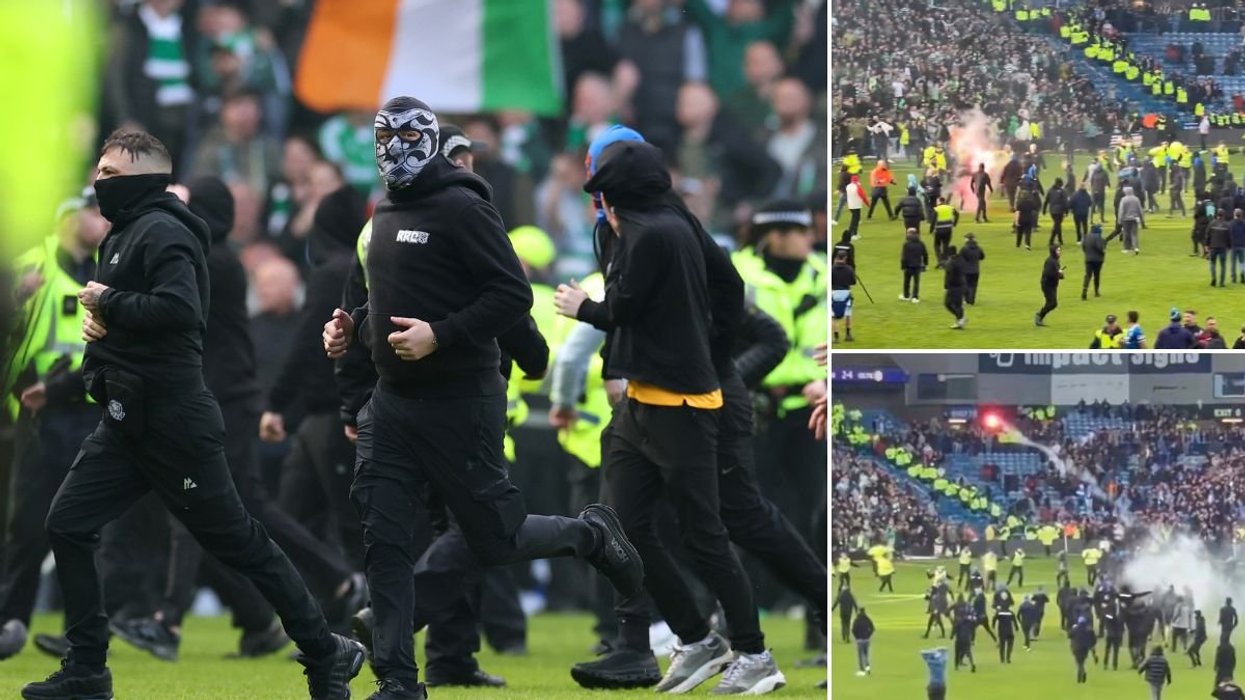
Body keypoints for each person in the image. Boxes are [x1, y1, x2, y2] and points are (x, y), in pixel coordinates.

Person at [23, 130, 366, 700]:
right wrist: (102, 329)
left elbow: (181, 309)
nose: (98, 183)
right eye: (99, 171)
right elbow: (136, 317)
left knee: (238, 541)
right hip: (126, 418)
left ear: (145, 179)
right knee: (67, 523)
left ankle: (326, 652)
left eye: (110, 174)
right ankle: (86, 668)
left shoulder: (163, 231)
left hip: (173, 423)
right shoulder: (124, 232)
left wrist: (107, 303)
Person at [324, 97, 644, 699]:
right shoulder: (385, 210)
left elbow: (511, 296)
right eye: (382, 139)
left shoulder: (464, 207)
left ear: (428, 143)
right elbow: (384, 303)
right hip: (391, 404)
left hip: (460, 400)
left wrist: (440, 335)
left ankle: (590, 536)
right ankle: (398, 682)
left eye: (405, 138)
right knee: (384, 542)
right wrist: (350, 328)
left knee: (496, 538)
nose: (392, 150)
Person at [558, 139, 786, 695]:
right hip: (644, 401)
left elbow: (624, 309)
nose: (599, 206)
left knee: (703, 535)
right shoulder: (676, 222)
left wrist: (582, 307)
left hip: (679, 407)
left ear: (614, 197)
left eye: (602, 195)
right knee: (620, 528)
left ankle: (755, 655)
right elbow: (729, 284)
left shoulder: (649, 233)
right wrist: (715, 354)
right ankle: (697, 638)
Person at [0, 191, 107, 660]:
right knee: (28, 522)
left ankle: (78, 629)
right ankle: (12, 619)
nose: (99, 219)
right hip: (40, 410)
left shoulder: (109, 266)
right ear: (66, 218)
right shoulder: (31, 265)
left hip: (93, 408)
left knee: (85, 525)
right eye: (89, 211)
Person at [1080, 223, 1118, 300]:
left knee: (1088, 275)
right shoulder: (1098, 237)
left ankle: (1084, 290)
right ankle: (1096, 291)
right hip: (1098, 260)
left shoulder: (1086, 236)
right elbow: (1100, 247)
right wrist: (1103, 252)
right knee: (1096, 275)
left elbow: (1083, 247)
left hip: (1088, 259)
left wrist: (1087, 253)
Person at [1035, 245, 1064, 327]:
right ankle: (1039, 316)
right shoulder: (1050, 261)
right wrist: (1058, 273)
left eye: (1060, 250)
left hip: (1052, 285)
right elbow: (1048, 274)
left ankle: (1040, 317)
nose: (1059, 252)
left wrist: (1060, 274)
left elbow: (1058, 274)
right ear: (1053, 251)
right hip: (1047, 285)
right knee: (1052, 303)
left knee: (1052, 303)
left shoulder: (1055, 261)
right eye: (1058, 250)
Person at [831, 250, 855, 342]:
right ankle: (848, 335)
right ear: (845, 258)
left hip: (834, 293)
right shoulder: (849, 269)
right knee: (848, 314)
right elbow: (853, 282)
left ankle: (836, 337)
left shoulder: (832, 268)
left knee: (834, 316)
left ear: (837, 257)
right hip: (846, 293)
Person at [942, 246, 967, 331]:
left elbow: (949, 275)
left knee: (949, 304)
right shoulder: (961, 259)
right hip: (961, 284)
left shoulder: (951, 262)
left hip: (954, 286)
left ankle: (960, 319)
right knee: (956, 304)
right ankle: (960, 319)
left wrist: (946, 286)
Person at [900, 228, 928, 303]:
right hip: (917, 265)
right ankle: (915, 297)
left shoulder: (906, 244)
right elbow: (925, 254)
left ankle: (906, 296)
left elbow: (904, 256)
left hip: (908, 266)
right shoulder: (921, 243)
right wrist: (925, 264)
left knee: (906, 282)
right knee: (916, 282)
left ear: (910, 234)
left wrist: (903, 266)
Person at [1070, 616, 1098, 684]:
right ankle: (1080, 676)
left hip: (1076, 648)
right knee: (1082, 662)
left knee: (1079, 663)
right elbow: (1094, 640)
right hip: (1085, 649)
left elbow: (1069, 635)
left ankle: (1081, 675)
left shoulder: (1075, 629)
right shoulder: (1089, 630)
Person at [959, 232, 984, 305]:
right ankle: (972, 300)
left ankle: (967, 299)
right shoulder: (979, 248)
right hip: (976, 270)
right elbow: (982, 257)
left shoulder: (964, 249)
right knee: (973, 286)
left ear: (967, 239)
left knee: (966, 285)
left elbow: (960, 258)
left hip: (966, 270)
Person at [1118, 186, 1145, 254]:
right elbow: (1140, 209)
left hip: (1126, 219)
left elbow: (1121, 210)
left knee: (1126, 234)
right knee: (1134, 234)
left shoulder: (1124, 199)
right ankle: (1136, 247)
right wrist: (1142, 218)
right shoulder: (1136, 199)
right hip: (1135, 218)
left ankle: (1127, 248)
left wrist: (1120, 219)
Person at [1044, 178, 1069, 246]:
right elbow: (1065, 202)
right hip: (1060, 211)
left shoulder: (1050, 190)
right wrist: (1066, 211)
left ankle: (1055, 240)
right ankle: (1056, 240)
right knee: (1057, 225)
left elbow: (1046, 201)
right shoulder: (1062, 191)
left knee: (1057, 225)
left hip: (1052, 211)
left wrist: (1044, 209)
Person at [1014, 180, 1040, 249]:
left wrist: (1016, 221)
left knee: (1019, 233)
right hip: (1029, 219)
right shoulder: (1031, 203)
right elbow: (1035, 209)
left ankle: (1018, 244)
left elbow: (1017, 212)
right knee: (1028, 233)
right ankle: (1027, 244)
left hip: (1021, 220)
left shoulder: (1020, 203)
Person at [931, 197, 958, 261]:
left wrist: (931, 230)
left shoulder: (936, 209)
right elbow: (957, 214)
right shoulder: (950, 208)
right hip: (948, 229)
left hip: (939, 229)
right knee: (946, 244)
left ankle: (940, 258)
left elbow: (933, 221)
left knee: (937, 245)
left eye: (937, 201)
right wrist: (954, 223)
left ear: (939, 202)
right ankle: (945, 259)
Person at [844, 173, 869, 239]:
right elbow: (862, 195)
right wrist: (867, 204)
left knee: (855, 219)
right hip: (856, 205)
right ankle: (852, 234)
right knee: (855, 220)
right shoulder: (857, 186)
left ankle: (854, 233)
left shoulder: (848, 186)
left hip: (850, 205)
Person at [853, 608, 874, 677]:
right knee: (866, 655)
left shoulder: (857, 620)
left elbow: (853, 630)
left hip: (860, 641)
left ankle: (862, 670)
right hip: (866, 640)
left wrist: (857, 637)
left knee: (860, 656)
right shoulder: (867, 619)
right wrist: (868, 635)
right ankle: (868, 669)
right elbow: (873, 628)